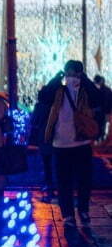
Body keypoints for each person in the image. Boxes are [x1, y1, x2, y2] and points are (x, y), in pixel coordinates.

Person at [38, 60, 102, 226]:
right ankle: (67, 214)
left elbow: (99, 99)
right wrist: (56, 78)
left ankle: (83, 210)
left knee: (84, 180)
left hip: (82, 142)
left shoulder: (85, 91)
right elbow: (43, 97)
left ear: (81, 75)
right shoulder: (58, 90)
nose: (72, 78)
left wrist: (85, 80)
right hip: (61, 143)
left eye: (76, 74)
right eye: (69, 74)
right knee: (64, 181)